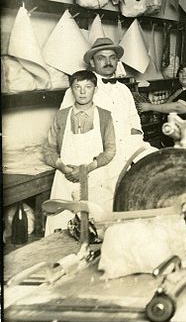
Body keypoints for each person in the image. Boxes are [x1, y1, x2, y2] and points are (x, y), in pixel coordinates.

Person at [59, 37, 146, 204]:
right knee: (86, 215)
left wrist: (132, 147)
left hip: (121, 160)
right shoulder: (79, 89)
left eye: (112, 57)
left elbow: (135, 122)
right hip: (90, 162)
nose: (108, 62)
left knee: (115, 210)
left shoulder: (124, 90)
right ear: (92, 62)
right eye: (101, 58)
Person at [42, 70, 117, 234]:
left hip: (95, 176)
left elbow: (110, 150)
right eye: (77, 87)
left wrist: (86, 169)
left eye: (88, 86)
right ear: (71, 90)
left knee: (96, 228)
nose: (83, 92)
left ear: (95, 89)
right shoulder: (61, 116)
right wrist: (62, 167)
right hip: (65, 179)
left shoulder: (105, 116)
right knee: (60, 226)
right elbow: (48, 149)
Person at [137, 62, 186, 146]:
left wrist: (150, 107)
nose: (184, 74)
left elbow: (178, 108)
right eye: (181, 72)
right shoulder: (183, 90)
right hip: (174, 140)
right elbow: (167, 106)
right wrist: (175, 95)